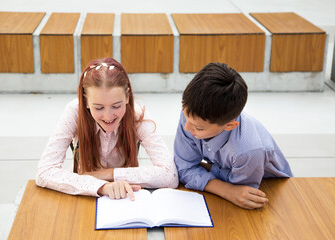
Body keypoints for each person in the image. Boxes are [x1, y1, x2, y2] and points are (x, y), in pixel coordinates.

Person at [36, 58, 178, 201]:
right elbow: (44, 171)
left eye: (116, 106)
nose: (108, 116)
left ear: (127, 97)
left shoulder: (137, 115)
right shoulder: (74, 111)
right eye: (98, 108)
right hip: (84, 194)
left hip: (126, 197)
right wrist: (102, 186)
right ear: (85, 101)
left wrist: (108, 174)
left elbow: (170, 175)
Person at [174, 62, 293, 209]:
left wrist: (209, 171)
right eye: (186, 117)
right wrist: (225, 189)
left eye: (198, 128)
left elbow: (241, 192)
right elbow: (184, 167)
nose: (186, 127)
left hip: (268, 187)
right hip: (224, 179)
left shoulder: (247, 150)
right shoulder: (193, 115)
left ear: (229, 125)